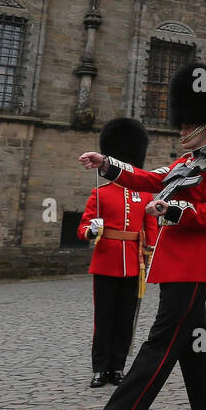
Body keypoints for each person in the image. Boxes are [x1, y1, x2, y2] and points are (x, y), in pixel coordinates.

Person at [69, 64, 206, 410]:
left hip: (192, 267)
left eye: (187, 125)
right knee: (197, 343)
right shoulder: (182, 165)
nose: (180, 132)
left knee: (159, 345)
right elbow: (145, 179)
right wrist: (106, 164)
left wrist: (174, 211)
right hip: (173, 265)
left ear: (205, 126)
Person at [77, 118, 157, 388]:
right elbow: (84, 225)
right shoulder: (100, 193)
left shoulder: (144, 195)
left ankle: (118, 368)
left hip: (135, 265)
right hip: (105, 263)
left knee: (125, 321)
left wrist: (150, 253)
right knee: (104, 320)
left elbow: (151, 228)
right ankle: (100, 368)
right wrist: (91, 230)